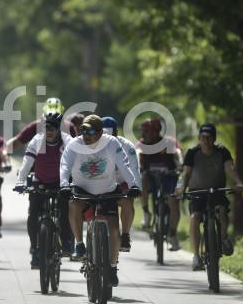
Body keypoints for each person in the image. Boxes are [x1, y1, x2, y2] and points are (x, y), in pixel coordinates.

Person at [59, 114, 140, 287]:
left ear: (101, 133)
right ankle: (79, 244)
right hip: (82, 189)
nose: (86, 135)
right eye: (83, 130)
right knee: (73, 204)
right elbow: (65, 165)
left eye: (90, 131)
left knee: (113, 228)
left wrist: (134, 185)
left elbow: (125, 165)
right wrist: (64, 184)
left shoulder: (111, 143)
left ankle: (111, 267)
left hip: (107, 190)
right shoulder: (75, 144)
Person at [175, 123, 243, 271]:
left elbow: (230, 168)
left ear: (214, 139)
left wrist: (238, 183)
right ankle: (196, 256)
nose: (206, 141)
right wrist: (181, 189)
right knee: (195, 217)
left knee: (221, 211)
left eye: (209, 138)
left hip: (217, 191)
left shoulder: (222, 151)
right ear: (199, 138)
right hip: (197, 193)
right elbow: (186, 174)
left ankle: (223, 238)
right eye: (203, 137)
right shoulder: (192, 153)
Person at [15, 112, 73, 267]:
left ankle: (67, 241)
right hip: (40, 182)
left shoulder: (67, 141)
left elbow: (77, 161)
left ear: (59, 129)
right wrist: (20, 181)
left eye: (53, 128)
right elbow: (27, 162)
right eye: (46, 128)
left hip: (61, 183)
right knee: (33, 213)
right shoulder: (37, 140)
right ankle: (35, 247)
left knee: (65, 210)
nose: (49, 131)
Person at [137, 117, 184, 251]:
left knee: (174, 204)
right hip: (150, 178)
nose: (143, 134)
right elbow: (136, 152)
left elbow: (178, 154)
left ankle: (173, 234)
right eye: (143, 131)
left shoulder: (168, 142)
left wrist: (180, 163)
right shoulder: (142, 144)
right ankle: (146, 213)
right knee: (142, 180)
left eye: (146, 131)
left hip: (168, 177)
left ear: (155, 132)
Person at [101, 116, 142, 252]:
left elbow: (134, 168)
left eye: (109, 134)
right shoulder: (93, 143)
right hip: (101, 183)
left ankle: (125, 235)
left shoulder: (127, 146)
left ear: (116, 133)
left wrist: (136, 187)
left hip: (122, 182)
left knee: (127, 203)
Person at [6, 98, 76, 153]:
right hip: (39, 168)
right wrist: (4, 151)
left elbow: (77, 148)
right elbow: (18, 140)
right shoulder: (36, 126)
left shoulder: (69, 127)